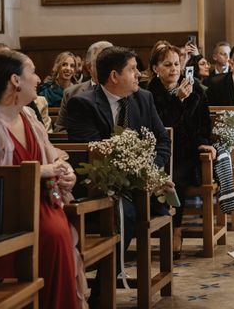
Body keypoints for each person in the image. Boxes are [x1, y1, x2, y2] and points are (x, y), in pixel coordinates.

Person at [65, 46, 172, 307]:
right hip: (99, 186)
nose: (139, 74)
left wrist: (149, 172)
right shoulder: (83, 104)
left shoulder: (143, 98)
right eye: (133, 69)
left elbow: (162, 142)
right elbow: (93, 155)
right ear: (114, 76)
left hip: (141, 187)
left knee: (129, 208)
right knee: (123, 211)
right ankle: (102, 293)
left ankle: (102, 288)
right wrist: (133, 173)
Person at [0, 50, 85, 308]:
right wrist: (44, 171)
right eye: (33, 72)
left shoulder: (28, 115)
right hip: (6, 215)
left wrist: (65, 172)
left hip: (43, 203)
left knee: (58, 229)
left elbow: (53, 156)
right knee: (53, 233)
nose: (38, 78)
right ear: (15, 80)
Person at [146, 44, 215, 259]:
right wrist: (176, 100)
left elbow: (203, 124)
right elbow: (162, 127)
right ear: (156, 68)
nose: (174, 69)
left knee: (178, 172)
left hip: (188, 150)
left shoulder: (194, 89)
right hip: (158, 150)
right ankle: (164, 226)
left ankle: (175, 228)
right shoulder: (149, 93)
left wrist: (204, 142)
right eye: (167, 65)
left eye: (177, 64)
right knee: (166, 171)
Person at [55, 41, 113, 133]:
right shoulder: (71, 93)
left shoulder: (124, 91)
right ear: (89, 66)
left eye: (111, 62)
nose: (107, 67)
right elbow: (60, 129)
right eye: (101, 62)